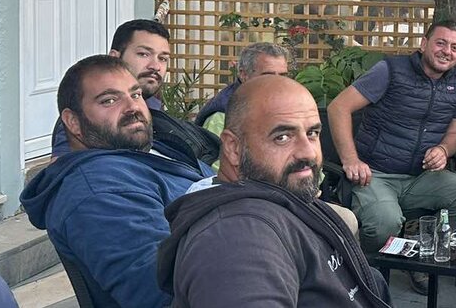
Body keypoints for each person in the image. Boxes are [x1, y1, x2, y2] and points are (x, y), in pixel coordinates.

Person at [157, 75, 390, 307]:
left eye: (312, 133)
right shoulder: (236, 240)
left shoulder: (276, 198)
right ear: (233, 148)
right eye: (282, 137)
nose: (308, 152)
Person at [21, 55, 214, 308]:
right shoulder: (98, 190)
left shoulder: (153, 152)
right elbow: (164, 290)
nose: (132, 107)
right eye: (109, 100)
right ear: (73, 122)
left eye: (135, 94)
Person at [326, 19, 456, 275]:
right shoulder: (390, 70)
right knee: (384, 223)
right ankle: (362, 271)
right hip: (376, 175)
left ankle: (422, 250)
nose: (447, 51)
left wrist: (444, 150)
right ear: (424, 44)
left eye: (454, 48)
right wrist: (351, 160)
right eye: (441, 43)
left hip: (422, 177)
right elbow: (338, 107)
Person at [50, 19, 220, 166]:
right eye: (143, 54)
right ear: (115, 57)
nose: (155, 66)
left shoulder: (150, 102)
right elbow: (63, 171)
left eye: (163, 58)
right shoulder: (89, 119)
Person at [193, 42, 290, 132]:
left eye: (283, 75)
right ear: (244, 75)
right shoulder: (222, 116)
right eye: (268, 76)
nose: (278, 82)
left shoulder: (283, 103)